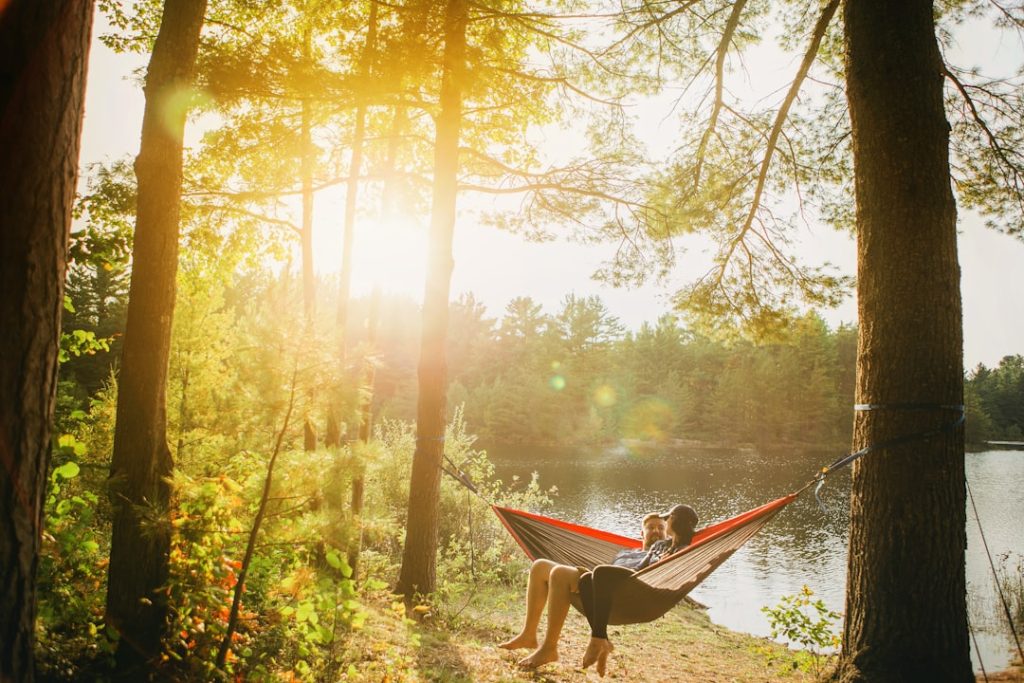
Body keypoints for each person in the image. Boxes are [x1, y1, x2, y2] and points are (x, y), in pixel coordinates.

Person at [498, 512, 669, 669]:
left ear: (667, 535)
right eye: (651, 527)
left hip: (626, 597)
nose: (656, 530)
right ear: (642, 534)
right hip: (598, 585)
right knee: (540, 566)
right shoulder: (625, 552)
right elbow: (607, 571)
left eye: (661, 528)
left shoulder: (664, 555)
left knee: (559, 573)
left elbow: (662, 576)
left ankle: (549, 648)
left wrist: (666, 554)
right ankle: (528, 635)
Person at [579, 503, 699, 677]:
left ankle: (597, 640)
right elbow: (644, 562)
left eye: (668, 518)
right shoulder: (661, 545)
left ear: (676, 521)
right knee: (584, 581)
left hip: (648, 586)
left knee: (600, 572)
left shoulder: (684, 551)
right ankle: (602, 639)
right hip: (638, 575)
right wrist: (635, 571)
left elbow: (681, 569)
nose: (665, 521)